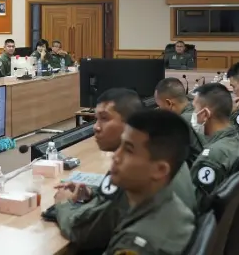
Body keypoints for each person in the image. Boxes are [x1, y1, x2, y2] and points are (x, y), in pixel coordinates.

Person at [54, 89, 196, 253]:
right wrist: (93, 193)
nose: (116, 157)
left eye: (128, 149)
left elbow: (82, 229)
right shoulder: (169, 161)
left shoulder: (136, 241)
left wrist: (63, 203)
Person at [103, 109, 195, 255]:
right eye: (120, 145)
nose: (115, 156)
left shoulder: (137, 244)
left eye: (128, 150)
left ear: (160, 170)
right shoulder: (175, 207)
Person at [190, 83, 239, 210]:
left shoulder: (211, 158)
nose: (193, 114)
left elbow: (194, 206)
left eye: (194, 109)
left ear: (205, 114)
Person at [154, 77, 205, 167]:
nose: (159, 110)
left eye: (160, 106)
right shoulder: (200, 110)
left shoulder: (180, 124)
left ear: (169, 103)